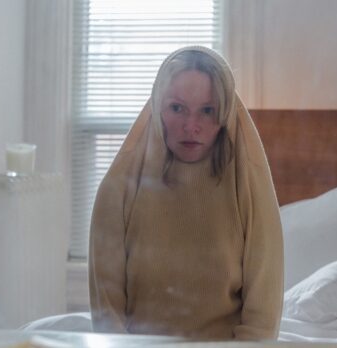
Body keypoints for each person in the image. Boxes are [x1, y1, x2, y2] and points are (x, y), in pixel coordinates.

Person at [88, 46, 283, 341]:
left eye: (207, 111)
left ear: (226, 114)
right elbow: (108, 311)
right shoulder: (120, 186)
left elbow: (263, 311)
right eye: (177, 108)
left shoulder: (248, 185)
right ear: (157, 108)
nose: (191, 127)